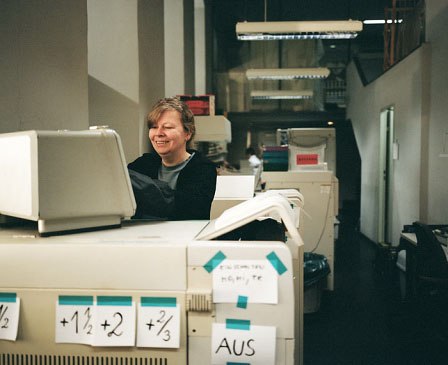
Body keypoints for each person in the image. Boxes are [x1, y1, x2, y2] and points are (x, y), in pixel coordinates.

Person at [128, 97, 217, 220]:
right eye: (154, 127)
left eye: (168, 127)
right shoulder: (143, 164)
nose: (159, 133)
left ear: (188, 133)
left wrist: (139, 185)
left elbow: (184, 211)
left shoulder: (203, 169)